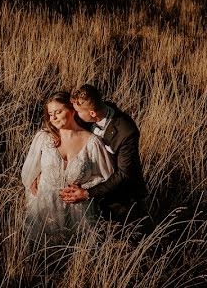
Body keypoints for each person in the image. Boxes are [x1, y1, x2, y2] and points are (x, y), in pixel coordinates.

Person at [21, 91, 113, 244]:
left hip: (78, 214)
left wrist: (84, 189)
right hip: (43, 210)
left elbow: (106, 176)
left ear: (72, 110)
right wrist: (35, 178)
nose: (53, 118)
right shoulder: (44, 138)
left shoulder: (92, 143)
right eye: (50, 114)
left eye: (58, 112)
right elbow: (28, 172)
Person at [60, 83, 148, 226]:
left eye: (77, 111)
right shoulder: (93, 114)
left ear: (93, 114)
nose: (74, 114)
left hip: (123, 197)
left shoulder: (126, 132)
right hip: (95, 189)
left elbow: (124, 174)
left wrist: (87, 193)